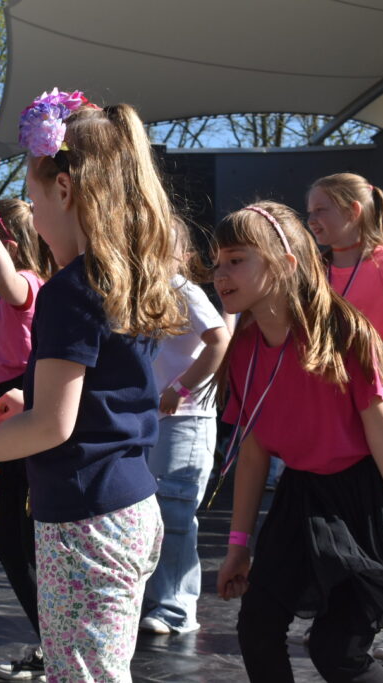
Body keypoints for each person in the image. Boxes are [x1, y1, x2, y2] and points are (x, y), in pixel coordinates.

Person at [0, 89, 186, 681]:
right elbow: (101, 394)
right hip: (128, 504)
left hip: (87, 520)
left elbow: (52, 426)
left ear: (64, 189)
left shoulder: (69, 289)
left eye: (35, 200)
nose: (34, 220)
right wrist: (27, 397)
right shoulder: (120, 278)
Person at [213, 201, 383, 682]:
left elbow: (382, 434)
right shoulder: (243, 351)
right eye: (217, 262)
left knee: (338, 652)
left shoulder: (343, 334)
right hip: (300, 498)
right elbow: (253, 452)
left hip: (363, 501)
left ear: (285, 263)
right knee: (257, 627)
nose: (220, 273)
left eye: (235, 259)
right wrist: (238, 546)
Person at [0, 162, 55, 680]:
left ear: (10, 248)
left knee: (18, 539)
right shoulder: (20, 291)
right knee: (12, 539)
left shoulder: (25, 286)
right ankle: (54, 641)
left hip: (23, 404)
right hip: (10, 404)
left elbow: (4, 275)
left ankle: (57, 644)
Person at [139, 221, 230, 635]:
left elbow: (219, 341)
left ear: (182, 256)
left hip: (186, 420)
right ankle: (154, 600)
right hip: (151, 420)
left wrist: (180, 388)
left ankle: (176, 608)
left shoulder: (183, 289)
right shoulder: (144, 292)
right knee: (150, 513)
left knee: (174, 511)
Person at [306, 173, 383, 341]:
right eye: (310, 212)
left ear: (353, 211)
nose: (311, 220)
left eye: (320, 210)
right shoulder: (313, 270)